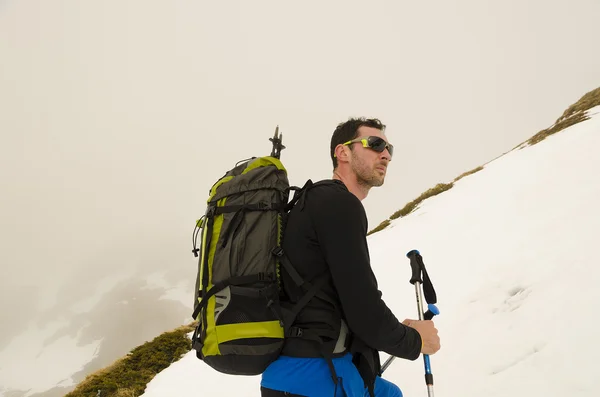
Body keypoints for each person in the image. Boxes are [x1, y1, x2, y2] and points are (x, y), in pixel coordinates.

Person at [260, 118, 441, 397]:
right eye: (376, 144)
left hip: (298, 373)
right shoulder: (338, 203)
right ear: (342, 153)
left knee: (388, 393)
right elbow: (363, 309)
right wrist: (415, 341)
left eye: (389, 148)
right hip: (318, 377)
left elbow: (340, 301)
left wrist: (397, 331)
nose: (386, 154)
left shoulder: (315, 203)